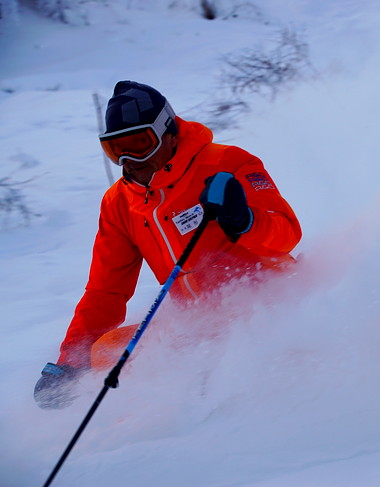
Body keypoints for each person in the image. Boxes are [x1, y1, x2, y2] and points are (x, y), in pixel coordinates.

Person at [33, 80, 302, 409]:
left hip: (270, 306)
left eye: (139, 143)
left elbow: (287, 232)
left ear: (169, 132)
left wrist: (243, 219)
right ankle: (151, 427)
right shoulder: (120, 203)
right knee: (107, 351)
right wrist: (71, 362)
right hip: (201, 324)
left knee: (242, 361)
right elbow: (106, 291)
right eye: (115, 149)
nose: (129, 159)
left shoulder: (227, 164)